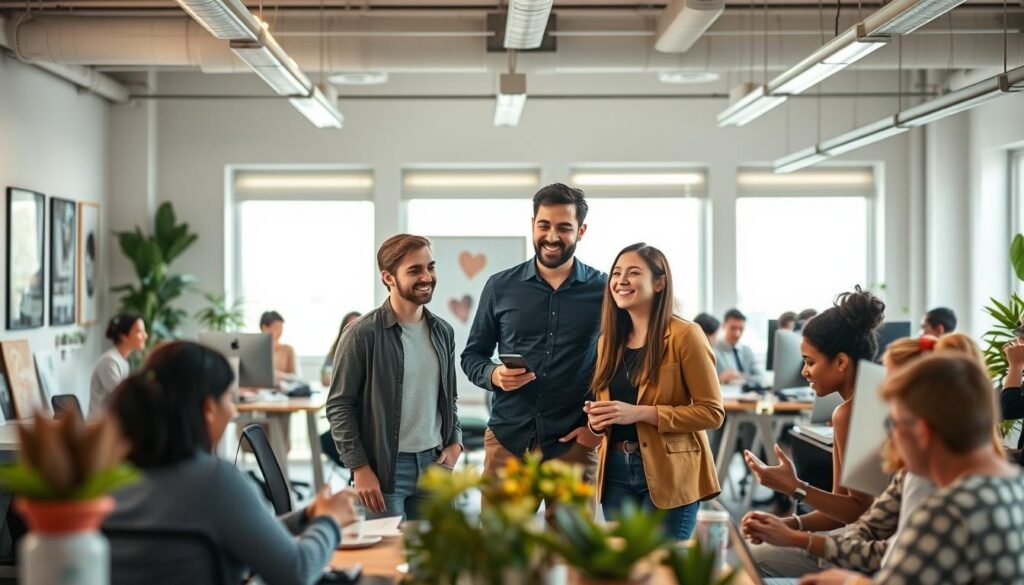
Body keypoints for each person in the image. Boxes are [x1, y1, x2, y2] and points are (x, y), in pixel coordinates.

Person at [105, 341, 358, 585]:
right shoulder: (214, 482)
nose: (234, 411)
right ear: (208, 409)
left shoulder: (109, 479)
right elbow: (297, 572)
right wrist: (329, 521)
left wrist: (306, 516)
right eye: (228, 398)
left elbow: (235, 532)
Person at [742, 333, 995, 576]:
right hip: (865, 548)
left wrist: (798, 524)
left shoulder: (933, 479)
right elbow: (867, 523)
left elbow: (886, 549)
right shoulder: (917, 470)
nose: (884, 401)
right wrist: (791, 528)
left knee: (752, 555)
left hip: (878, 561)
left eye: (891, 392)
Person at [799, 354, 1024, 585]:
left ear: (922, 432)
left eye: (891, 423)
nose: (889, 439)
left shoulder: (946, 511)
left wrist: (847, 582)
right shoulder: (1011, 483)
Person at [461, 183, 605, 484]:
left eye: (564, 227)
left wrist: (595, 431)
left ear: (581, 231)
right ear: (532, 225)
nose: (552, 237)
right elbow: (472, 355)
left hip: (573, 445)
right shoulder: (500, 286)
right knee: (501, 533)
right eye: (544, 225)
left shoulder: (604, 290)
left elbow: (621, 363)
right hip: (508, 441)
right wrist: (494, 375)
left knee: (574, 534)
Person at [741, 287, 883, 578]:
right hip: (872, 536)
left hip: (874, 549)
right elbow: (842, 510)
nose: (804, 372)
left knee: (745, 557)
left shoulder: (850, 413)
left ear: (841, 362)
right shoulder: (873, 396)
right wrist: (787, 525)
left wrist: (795, 487)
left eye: (810, 361)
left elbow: (858, 513)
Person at [586, 244, 724, 539]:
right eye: (617, 273)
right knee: (626, 571)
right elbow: (609, 408)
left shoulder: (686, 335)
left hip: (671, 471)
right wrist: (598, 421)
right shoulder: (608, 341)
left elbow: (712, 413)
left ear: (659, 283)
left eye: (633, 273)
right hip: (615, 472)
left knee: (662, 571)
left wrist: (641, 413)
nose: (621, 280)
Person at [326, 234, 463, 520]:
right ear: (388, 277)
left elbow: (448, 398)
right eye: (415, 270)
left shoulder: (443, 332)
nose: (427, 277)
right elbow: (339, 407)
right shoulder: (361, 334)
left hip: (436, 465)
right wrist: (360, 468)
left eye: (430, 267)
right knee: (385, 561)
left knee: (434, 562)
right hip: (385, 471)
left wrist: (456, 443)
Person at [89, 313, 147, 417]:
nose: (145, 336)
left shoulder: (122, 361)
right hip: (101, 427)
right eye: (139, 331)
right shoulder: (109, 361)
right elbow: (123, 398)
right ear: (123, 336)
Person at [714, 309, 762, 385]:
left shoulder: (747, 351)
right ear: (723, 326)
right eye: (733, 328)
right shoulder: (714, 350)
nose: (737, 334)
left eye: (741, 329)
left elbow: (761, 378)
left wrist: (740, 375)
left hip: (749, 395)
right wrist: (720, 379)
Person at [259, 311, 301, 386]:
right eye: (276, 327)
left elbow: (297, 377)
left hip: (283, 392)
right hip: (259, 392)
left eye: (281, 327)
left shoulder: (288, 350)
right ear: (264, 328)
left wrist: (279, 375)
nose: (280, 331)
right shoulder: (255, 350)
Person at [322, 311, 362, 386]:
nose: (352, 330)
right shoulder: (335, 349)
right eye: (349, 326)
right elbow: (324, 377)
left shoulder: (369, 347)